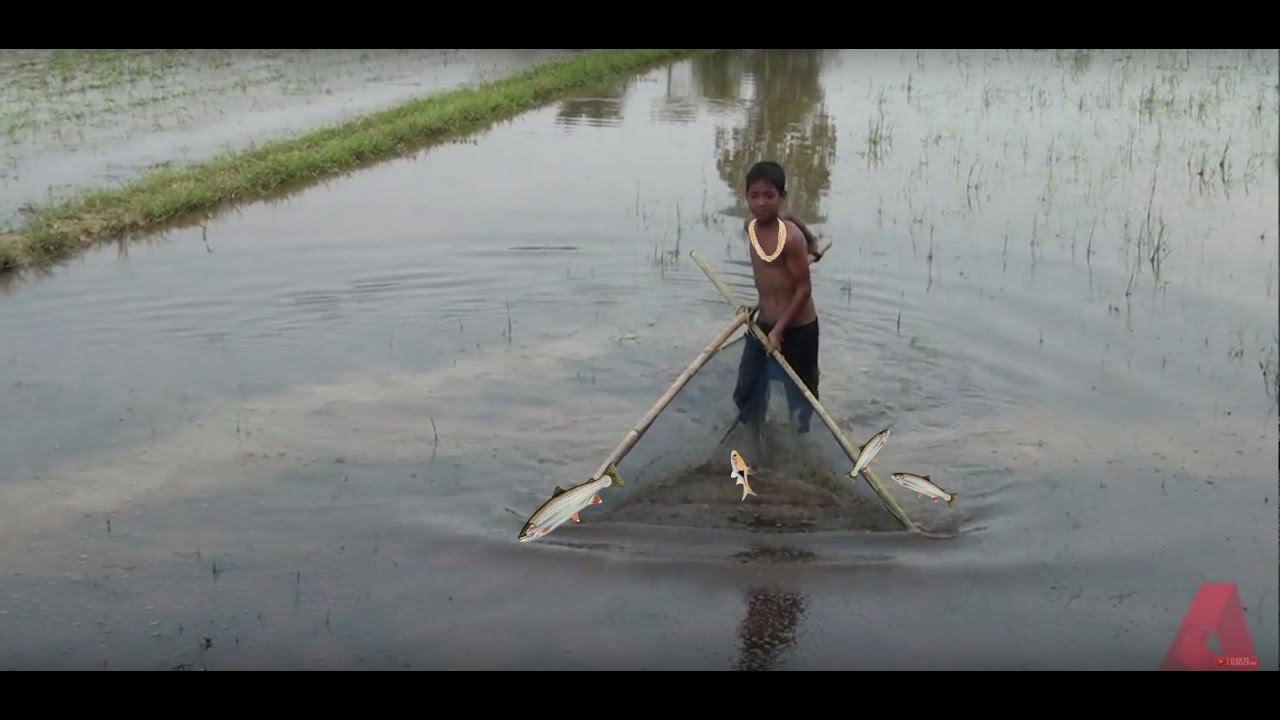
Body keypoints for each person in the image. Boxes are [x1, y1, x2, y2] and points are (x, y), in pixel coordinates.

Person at [732, 160, 822, 440]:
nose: (761, 203)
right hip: (764, 324)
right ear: (746, 197)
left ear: (781, 198)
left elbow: (804, 290)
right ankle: (755, 445)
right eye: (754, 196)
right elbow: (792, 217)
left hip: (796, 328)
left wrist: (779, 330)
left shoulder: (791, 239)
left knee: (800, 397)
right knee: (746, 390)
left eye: (769, 196)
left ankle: (802, 448)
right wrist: (814, 242)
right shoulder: (751, 227)